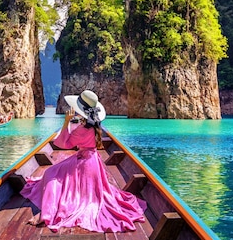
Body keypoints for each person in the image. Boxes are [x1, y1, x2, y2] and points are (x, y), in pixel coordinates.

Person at [20, 90, 147, 233]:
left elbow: (63, 143)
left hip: (82, 163)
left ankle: (48, 211)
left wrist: (67, 122)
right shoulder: (95, 125)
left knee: (50, 173)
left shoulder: (80, 130)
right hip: (93, 161)